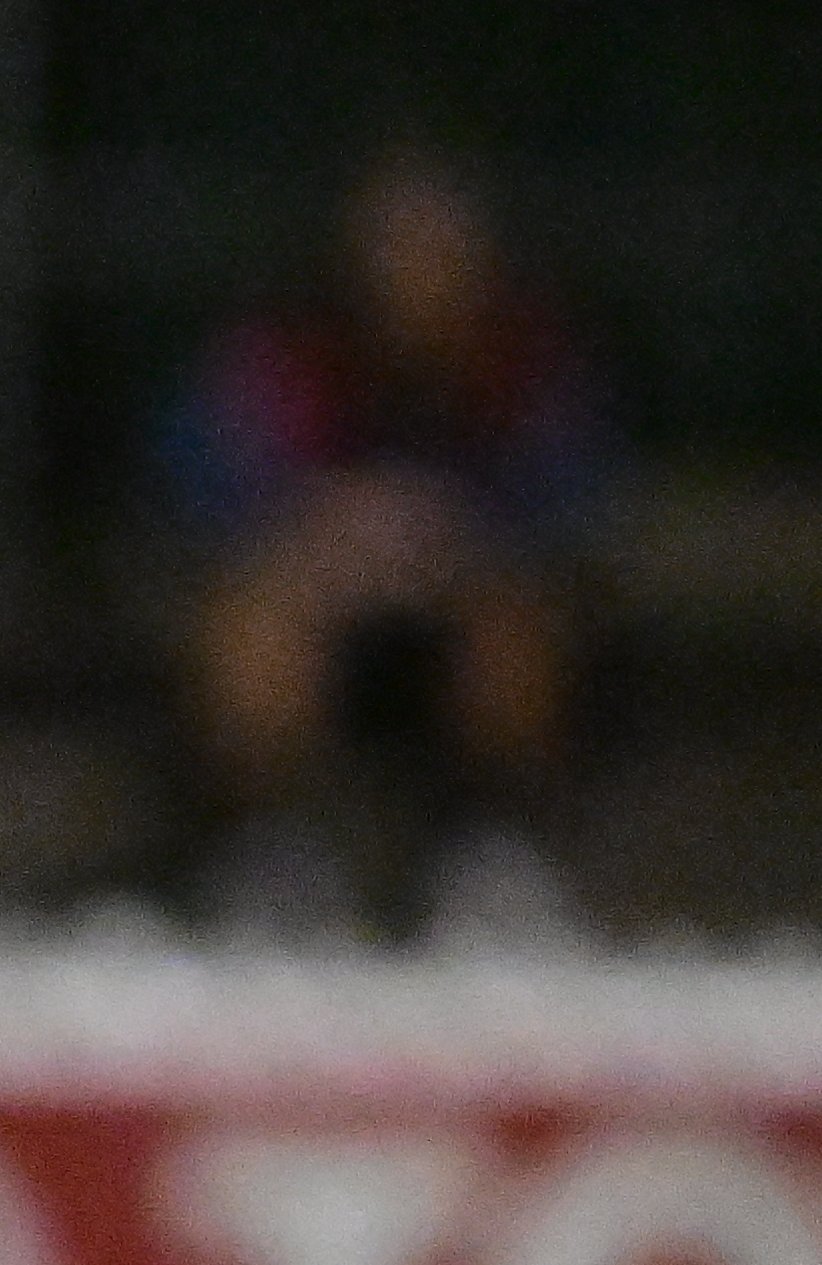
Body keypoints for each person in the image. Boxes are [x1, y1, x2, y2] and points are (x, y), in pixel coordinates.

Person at [164, 140, 607, 945]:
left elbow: (571, 510)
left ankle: (494, 856)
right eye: (398, 246)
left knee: (524, 622)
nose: (419, 270)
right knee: (249, 620)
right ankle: (274, 858)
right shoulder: (289, 352)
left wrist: (447, 541)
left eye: (441, 248)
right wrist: (329, 536)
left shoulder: (520, 357)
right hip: (320, 602)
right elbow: (204, 495)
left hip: (460, 605)